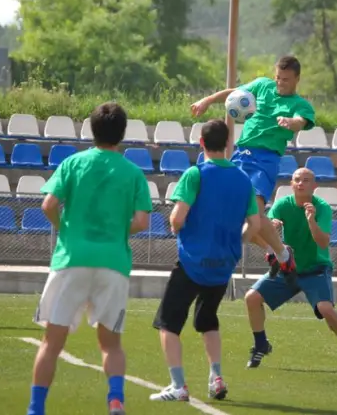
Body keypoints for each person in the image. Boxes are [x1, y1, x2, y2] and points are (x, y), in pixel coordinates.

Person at [26, 102, 153, 415]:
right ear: (122, 133)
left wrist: (66, 228)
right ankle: (115, 400)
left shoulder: (73, 163)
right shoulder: (133, 172)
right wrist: (114, 232)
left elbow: (48, 205)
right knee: (111, 343)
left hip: (71, 259)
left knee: (51, 343)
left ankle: (35, 409)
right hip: (114, 262)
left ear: (91, 129)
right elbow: (141, 222)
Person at [191, 59, 317, 357]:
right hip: (240, 156)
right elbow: (235, 92)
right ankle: (281, 253)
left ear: (296, 79)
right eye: (277, 77)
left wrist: (292, 123)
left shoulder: (300, 104)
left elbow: (302, 119)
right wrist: (208, 99)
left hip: (265, 161)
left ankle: (281, 254)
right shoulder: (262, 85)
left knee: (256, 215)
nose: (279, 82)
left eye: (285, 79)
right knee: (239, 218)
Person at [149, 119, 261, 403]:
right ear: (227, 144)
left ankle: (178, 385)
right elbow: (255, 225)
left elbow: (177, 218)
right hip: (223, 266)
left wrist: (177, 228)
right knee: (207, 319)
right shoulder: (243, 179)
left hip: (192, 262)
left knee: (168, 323)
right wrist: (237, 244)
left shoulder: (195, 174)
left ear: (201, 142)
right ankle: (216, 376)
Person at [244, 168, 337, 370]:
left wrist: (311, 221)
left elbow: (322, 242)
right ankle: (260, 344)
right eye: (297, 180)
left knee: (326, 308)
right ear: (291, 184)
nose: (301, 183)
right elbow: (263, 227)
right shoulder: (282, 205)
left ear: (314, 186)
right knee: (252, 297)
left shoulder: (322, 208)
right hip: (288, 267)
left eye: (306, 180)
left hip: (315, 269)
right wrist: (273, 228)